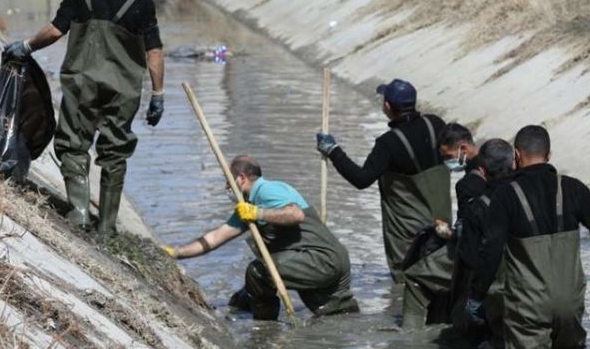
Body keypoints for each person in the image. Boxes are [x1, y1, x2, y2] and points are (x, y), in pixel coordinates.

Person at [3, 0, 165, 239]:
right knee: (115, 153)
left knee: (73, 144)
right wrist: (158, 94)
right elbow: (154, 51)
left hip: (81, 85)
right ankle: (106, 227)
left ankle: (79, 213)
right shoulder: (142, 2)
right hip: (123, 91)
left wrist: (26, 46)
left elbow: (55, 31)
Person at [473, 125, 590, 348]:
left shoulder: (505, 196)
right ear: (549, 155)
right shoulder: (573, 188)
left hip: (528, 305)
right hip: (570, 303)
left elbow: (491, 250)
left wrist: (476, 295)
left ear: (517, 155)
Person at [164, 155, 359, 321]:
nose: (226, 187)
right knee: (338, 316)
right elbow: (215, 238)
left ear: (241, 178)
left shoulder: (267, 190)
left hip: (321, 259)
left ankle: (266, 329)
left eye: (228, 181)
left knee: (257, 272)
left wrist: (258, 213)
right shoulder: (247, 206)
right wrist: (176, 252)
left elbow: (296, 214)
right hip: (328, 259)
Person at [316, 78, 451, 283]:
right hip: (442, 222)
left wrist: (333, 151)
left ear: (387, 106)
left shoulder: (389, 143)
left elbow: (361, 179)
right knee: (441, 273)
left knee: (410, 280)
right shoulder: (436, 124)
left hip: (408, 231)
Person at [398, 121, 478, 329]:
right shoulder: (493, 164)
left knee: (416, 278)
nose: (446, 162)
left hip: (475, 252)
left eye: (448, 156)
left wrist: (448, 233)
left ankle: (410, 336)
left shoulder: (469, 183)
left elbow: (470, 230)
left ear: (463, 148)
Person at [449, 138, 515, 341]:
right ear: (513, 163)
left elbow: (468, 257)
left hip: (491, 291)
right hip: (530, 288)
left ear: (483, 171)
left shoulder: (478, 206)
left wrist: (474, 298)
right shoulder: (527, 195)